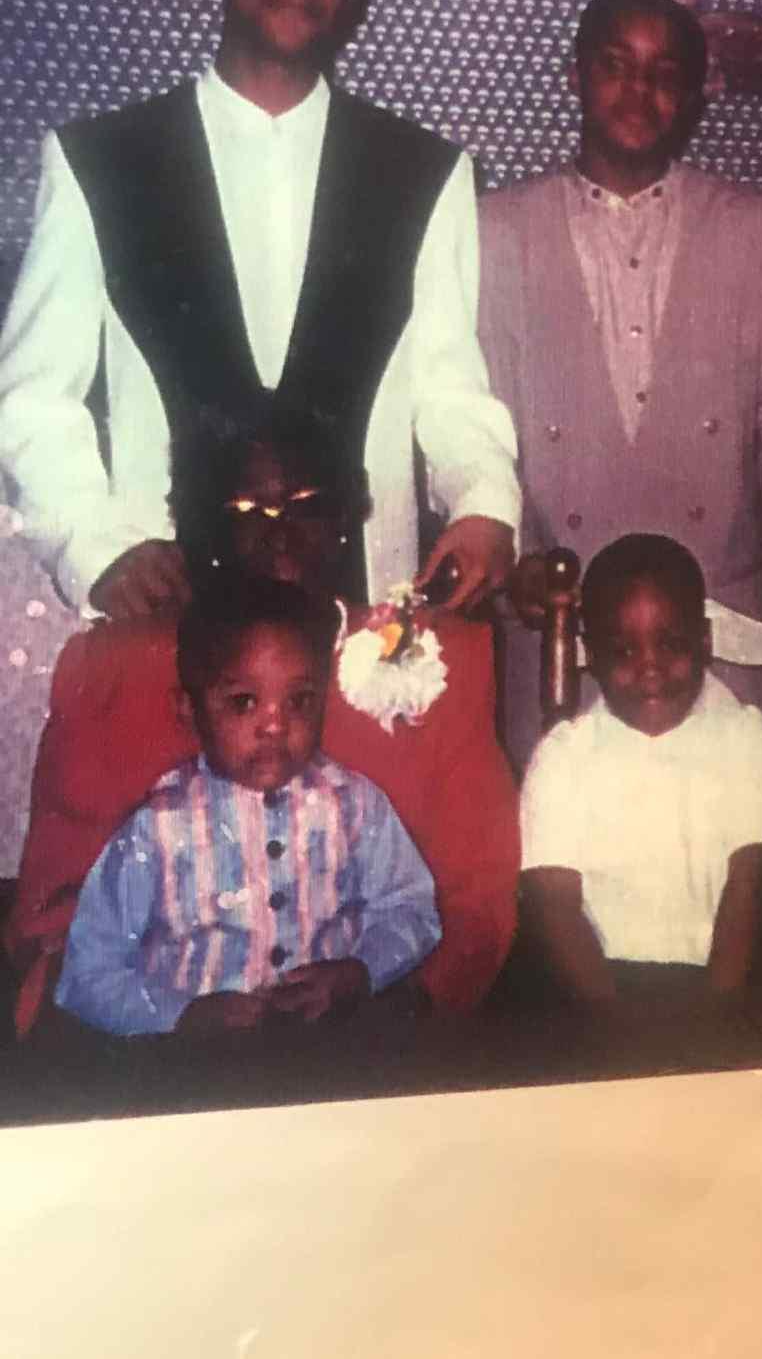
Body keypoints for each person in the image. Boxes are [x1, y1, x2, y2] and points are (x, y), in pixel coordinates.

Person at [0, 0, 519, 620]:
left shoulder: (424, 171)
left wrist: (484, 502)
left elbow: (449, 390)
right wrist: (93, 546)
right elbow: (35, 397)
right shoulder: (99, 160)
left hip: (362, 617)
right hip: (164, 600)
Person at [5, 400, 520, 1035]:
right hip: (181, 1055)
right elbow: (65, 934)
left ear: (346, 515)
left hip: (370, 1037)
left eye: (307, 504)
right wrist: (172, 1021)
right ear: (205, 524)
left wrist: (375, 999)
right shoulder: (124, 680)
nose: (278, 533)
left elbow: (464, 911)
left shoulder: (424, 675)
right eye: (245, 509)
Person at [478, 0, 762, 763]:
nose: (638, 91)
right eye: (616, 66)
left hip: (716, 623)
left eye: (663, 74)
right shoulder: (495, 231)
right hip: (561, 621)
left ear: (692, 93)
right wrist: (514, 561)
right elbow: (477, 424)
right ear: (576, 75)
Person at [54, 575, 442, 1039]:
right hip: (198, 1057)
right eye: (244, 703)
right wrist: (179, 1016)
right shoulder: (156, 829)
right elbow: (89, 971)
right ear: (189, 710)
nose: (275, 726)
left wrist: (360, 972)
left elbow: (411, 908)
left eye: (299, 700)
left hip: (331, 1039)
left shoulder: (355, 805)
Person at [518, 533, 762, 1010]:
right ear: (591, 654)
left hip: (727, 984)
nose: (650, 669)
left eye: (671, 644)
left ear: (705, 639)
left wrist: (713, 1023)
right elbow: (556, 908)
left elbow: (749, 886)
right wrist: (616, 1027)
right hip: (596, 992)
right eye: (624, 651)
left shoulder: (745, 739)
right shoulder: (563, 757)